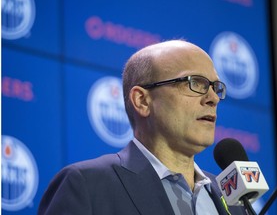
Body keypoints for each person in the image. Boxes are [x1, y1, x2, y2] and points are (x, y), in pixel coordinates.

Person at [38, 40, 246, 215]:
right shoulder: (87, 185)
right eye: (194, 83)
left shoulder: (232, 201)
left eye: (215, 87)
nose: (212, 98)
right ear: (142, 101)